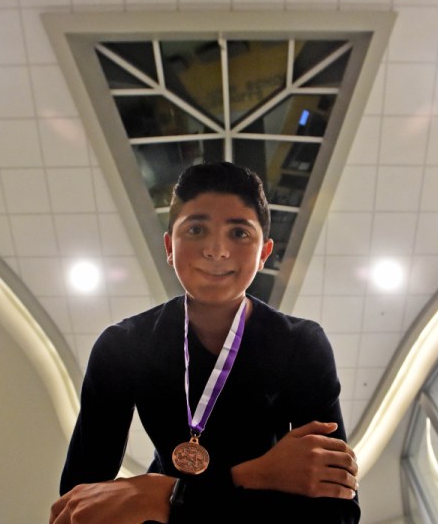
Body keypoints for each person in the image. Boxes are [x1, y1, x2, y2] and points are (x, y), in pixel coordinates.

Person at [50, 161, 360, 523]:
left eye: (239, 234)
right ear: (169, 246)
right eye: (196, 229)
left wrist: (163, 496)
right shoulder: (122, 348)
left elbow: (338, 513)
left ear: (264, 253)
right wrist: (253, 476)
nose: (216, 250)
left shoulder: (300, 346)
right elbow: (77, 506)